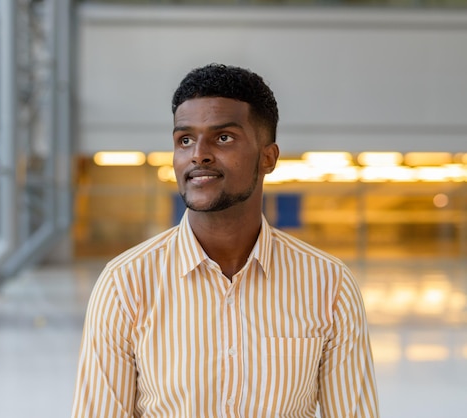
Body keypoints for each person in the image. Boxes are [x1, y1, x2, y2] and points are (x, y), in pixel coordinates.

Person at [71, 63, 379, 417]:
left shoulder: (329, 284)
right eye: (185, 140)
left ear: (268, 157)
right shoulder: (125, 283)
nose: (198, 154)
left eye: (223, 138)